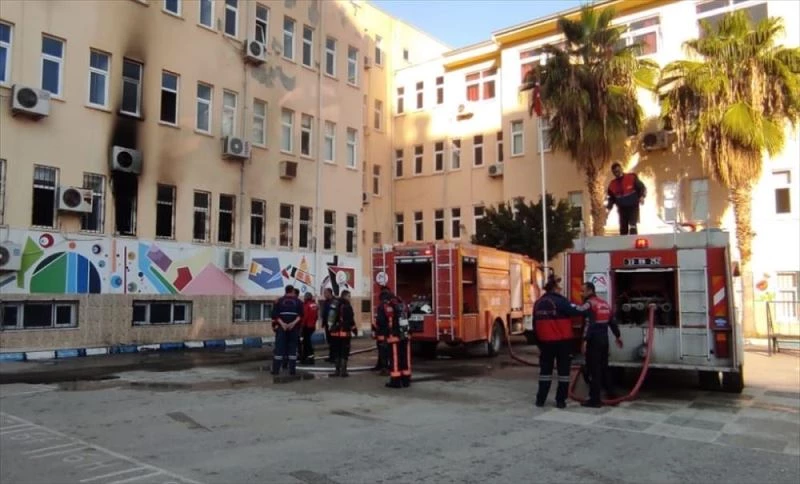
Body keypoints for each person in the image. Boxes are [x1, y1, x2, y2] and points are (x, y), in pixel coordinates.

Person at [534, 275, 587, 409]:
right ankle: (560, 401)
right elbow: (577, 311)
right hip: (562, 343)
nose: (561, 289)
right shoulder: (561, 301)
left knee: (545, 373)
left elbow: (535, 326)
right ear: (555, 288)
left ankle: (540, 400)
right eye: (559, 286)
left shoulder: (538, 303)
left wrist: (539, 343)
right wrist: (590, 304)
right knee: (563, 373)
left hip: (545, 343)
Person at [576, 282, 623, 408]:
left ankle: (595, 399)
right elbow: (612, 322)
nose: (581, 293)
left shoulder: (589, 304)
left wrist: (584, 341)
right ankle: (611, 394)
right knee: (604, 368)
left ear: (590, 291)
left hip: (593, 342)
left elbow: (588, 324)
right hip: (604, 341)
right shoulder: (604, 304)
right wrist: (618, 336)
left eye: (583, 291)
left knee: (593, 370)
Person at [271, 285, 304, 376]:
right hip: (294, 329)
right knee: (292, 349)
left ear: (285, 291)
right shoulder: (298, 302)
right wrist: (292, 324)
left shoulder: (279, 301)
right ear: (292, 291)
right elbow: (301, 316)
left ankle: (276, 370)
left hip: (282, 329)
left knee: (279, 349)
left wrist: (283, 324)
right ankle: (292, 370)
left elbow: (275, 315)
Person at [607, 162, 646, 235]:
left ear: (621, 169)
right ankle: (623, 241)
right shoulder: (612, 184)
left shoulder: (631, 177)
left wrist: (642, 196)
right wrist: (608, 208)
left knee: (632, 226)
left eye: (618, 171)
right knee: (623, 229)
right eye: (615, 172)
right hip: (622, 209)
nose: (617, 173)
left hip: (633, 207)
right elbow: (611, 198)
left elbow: (642, 187)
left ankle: (633, 239)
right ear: (613, 173)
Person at [385, 291, 412, 389]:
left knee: (395, 359)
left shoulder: (389, 306)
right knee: (405, 358)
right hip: (405, 335)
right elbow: (409, 314)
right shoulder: (403, 304)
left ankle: (395, 381)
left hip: (394, 336)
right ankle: (406, 380)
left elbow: (383, 320)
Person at [328, 290, 357, 377]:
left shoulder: (334, 305)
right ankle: (343, 371)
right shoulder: (347, 306)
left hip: (335, 334)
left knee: (337, 352)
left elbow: (330, 318)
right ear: (345, 296)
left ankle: (337, 371)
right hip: (345, 334)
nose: (350, 298)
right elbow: (350, 320)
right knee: (344, 353)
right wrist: (354, 330)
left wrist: (331, 328)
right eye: (349, 296)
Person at [372, 286, 392, 374]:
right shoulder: (391, 305)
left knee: (382, 350)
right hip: (389, 332)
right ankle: (382, 366)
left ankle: (384, 368)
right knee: (387, 350)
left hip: (382, 332)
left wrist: (375, 328)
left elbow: (380, 320)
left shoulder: (381, 306)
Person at [299, 292, 319, 365]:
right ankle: (309, 357)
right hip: (312, 326)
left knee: (306, 343)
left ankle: (307, 358)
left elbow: (305, 316)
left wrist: (301, 326)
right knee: (307, 342)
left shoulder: (306, 305)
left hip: (306, 326)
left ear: (306, 297)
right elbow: (316, 316)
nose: (303, 298)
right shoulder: (314, 305)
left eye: (304, 296)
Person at [320, 288, 335, 363]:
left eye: (325, 293)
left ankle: (334, 357)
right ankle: (331, 356)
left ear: (329, 293)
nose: (324, 295)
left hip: (333, 325)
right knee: (329, 341)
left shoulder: (334, 302)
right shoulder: (326, 302)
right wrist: (323, 323)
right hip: (327, 324)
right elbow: (324, 313)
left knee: (333, 341)